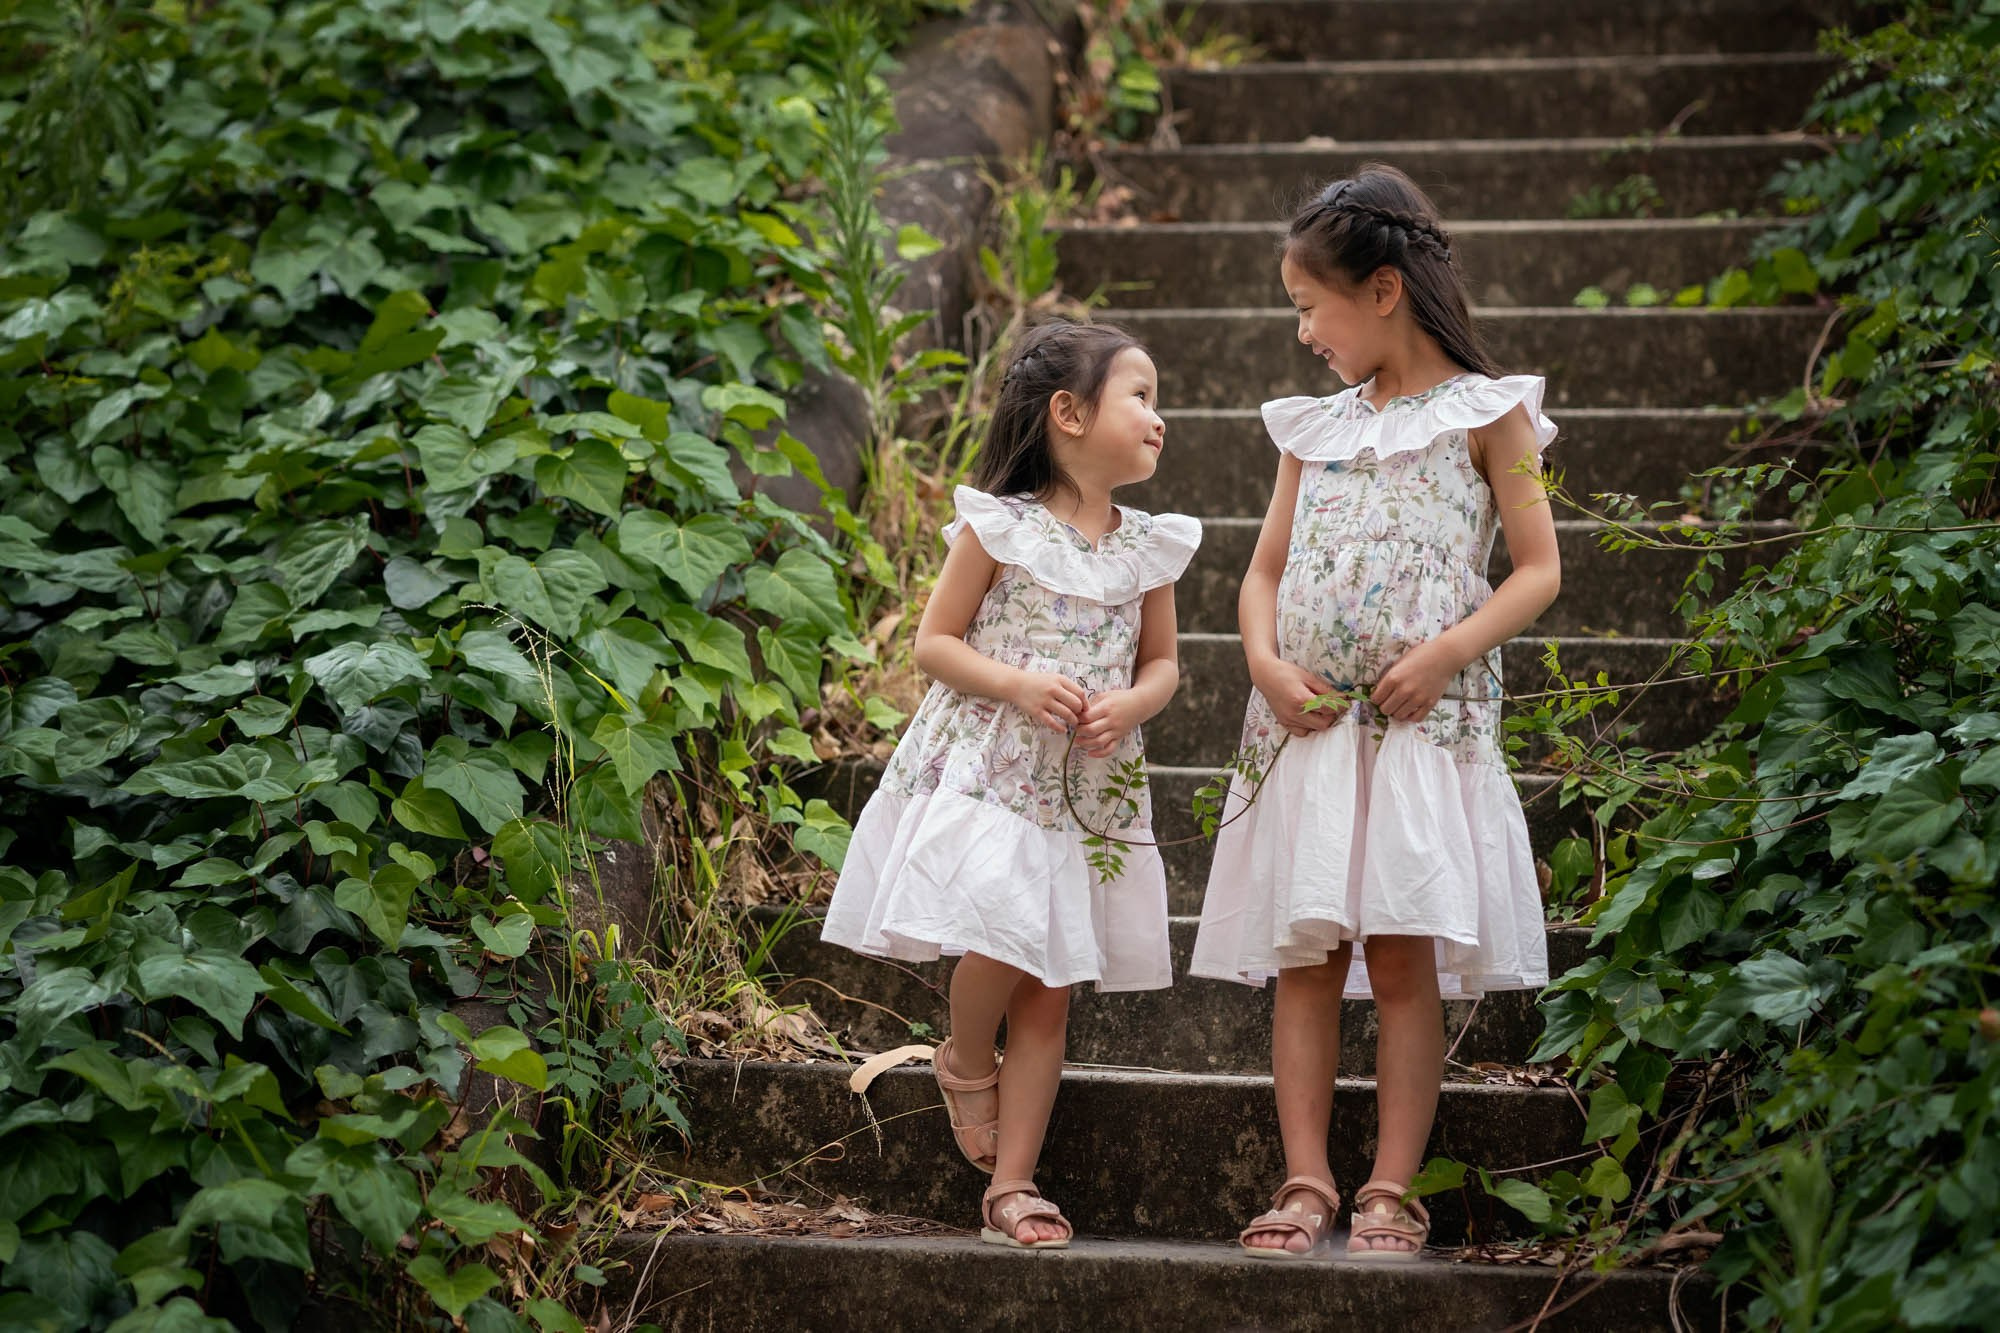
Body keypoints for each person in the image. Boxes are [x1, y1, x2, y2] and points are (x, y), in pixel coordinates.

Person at [1190, 164, 1562, 1260]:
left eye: (1309, 306)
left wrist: (1448, 652)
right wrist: (1259, 660)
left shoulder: (1493, 417)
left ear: (1383, 291)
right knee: (1304, 958)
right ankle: (1305, 1177)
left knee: (1398, 957)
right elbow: (1260, 572)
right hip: (1307, 729)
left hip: (1415, 733)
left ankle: (1389, 1185)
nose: (1302, 331)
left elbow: (1536, 568)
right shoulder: (1313, 429)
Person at [823, 319, 1200, 1250]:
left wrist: (1134, 706)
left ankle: (1014, 1183)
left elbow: (1164, 665)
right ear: (1069, 413)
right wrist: (1020, 682)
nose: (1160, 416)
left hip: (1084, 787)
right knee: (998, 932)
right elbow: (934, 641)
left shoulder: (1149, 547)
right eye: (1140, 396)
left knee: (1051, 983)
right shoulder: (1001, 523)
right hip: (996, 768)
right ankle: (960, 1053)